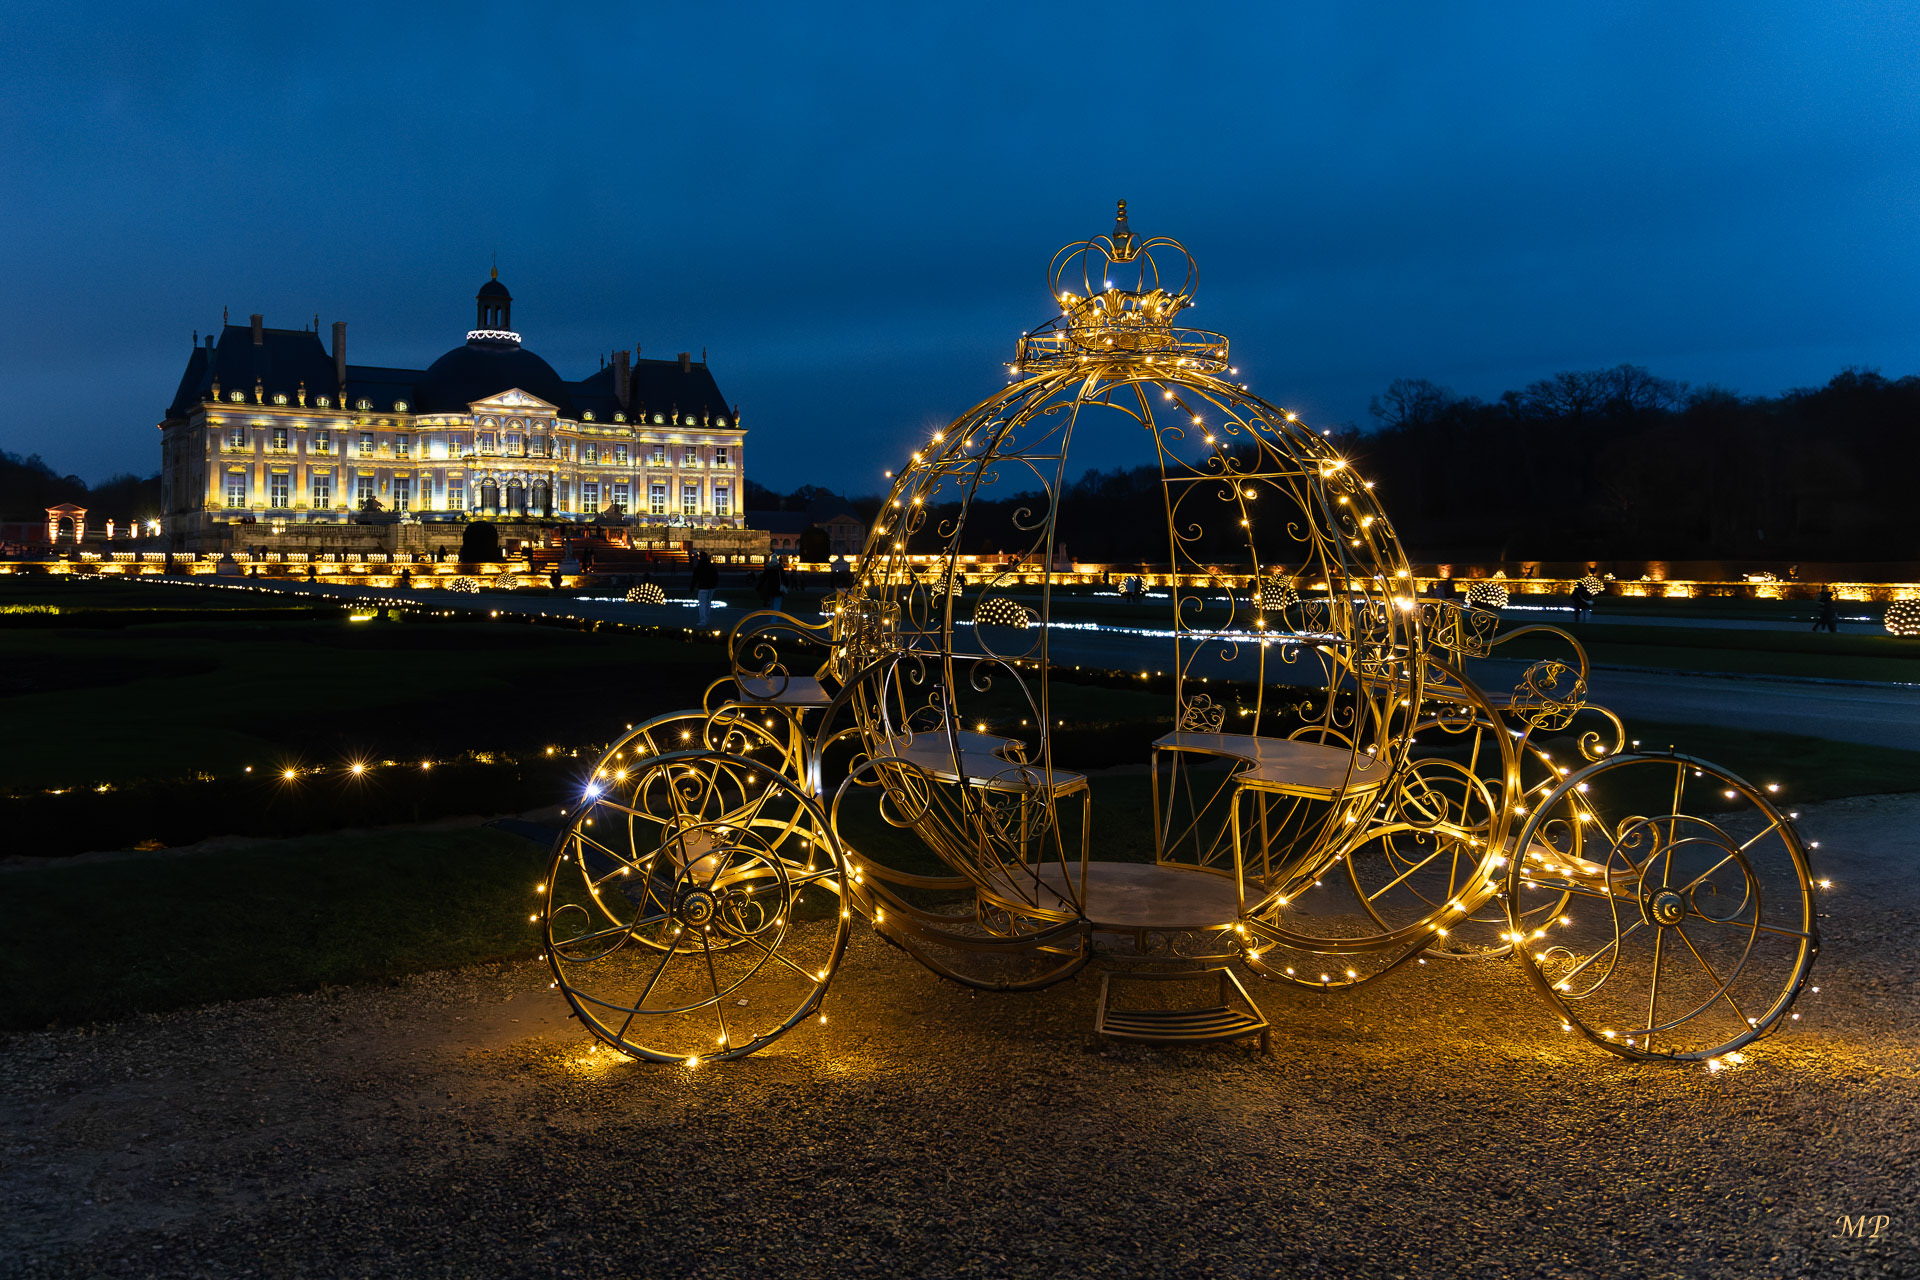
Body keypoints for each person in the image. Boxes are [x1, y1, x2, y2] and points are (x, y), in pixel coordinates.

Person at [692, 551, 719, 626]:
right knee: (708, 604)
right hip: (711, 587)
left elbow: (695, 576)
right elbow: (716, 576)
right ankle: (706, 619)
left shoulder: (699, 565)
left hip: (703, 587)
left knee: (702, 604)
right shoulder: (711, 565)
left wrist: (692, 587)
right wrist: (714, 585)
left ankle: (703, 621)